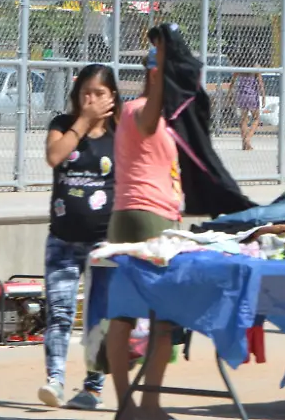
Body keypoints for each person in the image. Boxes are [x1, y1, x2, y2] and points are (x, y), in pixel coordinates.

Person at [105, 29, 182, 420]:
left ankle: (130, 406)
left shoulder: (152, 116)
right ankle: (143, 405)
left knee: (125, 314)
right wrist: (160, 64)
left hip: (133, 217)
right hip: (147, 219)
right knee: (161, 318)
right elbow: (152, 110)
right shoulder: (139, 111)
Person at [37, 64, 122, 410]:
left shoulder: (120, 133)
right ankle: (55, 380)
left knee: (98, 317)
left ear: (112, 97)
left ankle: (93, 387)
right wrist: (84, 122)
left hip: (105, 244)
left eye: (99, 93)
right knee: (59, 312)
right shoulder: (62, 126)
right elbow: (54, 156)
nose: (91, 99)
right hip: (62, 240)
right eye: (86, 92)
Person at [232, 70, 265, 150]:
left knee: (244, 119)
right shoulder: (255, 67)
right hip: (252, 95)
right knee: (256, 118)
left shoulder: (240, 67)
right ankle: (248, 138)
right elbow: (260, 84)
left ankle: (245, 144)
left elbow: (232, 82)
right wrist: (263, 96)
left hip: (241, 94)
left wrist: (230, 93)